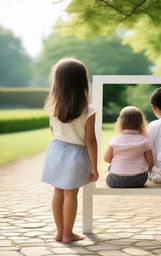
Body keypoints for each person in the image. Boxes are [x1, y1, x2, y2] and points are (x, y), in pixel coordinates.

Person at [41, 57, 99, 243]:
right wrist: (94, 167)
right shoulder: (88, 110)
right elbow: (90, 140)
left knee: (58, 191)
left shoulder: (53, 106)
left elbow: (53, 131)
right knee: (71, 193)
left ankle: (59, 232)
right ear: (82, 81)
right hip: (75, 153)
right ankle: (68, 234)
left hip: (55, 150)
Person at [104, 106, 153, 188]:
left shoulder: (115, 140)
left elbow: (107, 159)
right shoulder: (145, 141)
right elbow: (150, 161)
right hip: (138, 179)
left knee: (110, 167)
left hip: (116, 180)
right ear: (141, 123)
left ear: (120, 122)